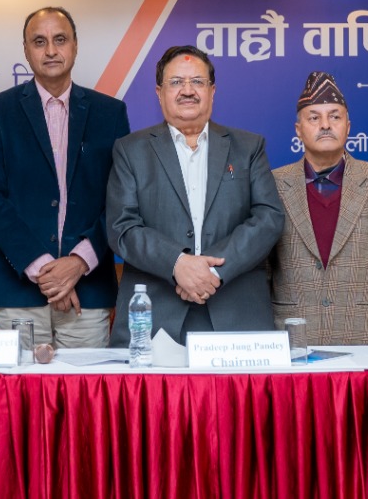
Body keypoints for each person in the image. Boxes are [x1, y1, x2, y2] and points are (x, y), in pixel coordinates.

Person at [107, 45, 284, 343]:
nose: (187, 90)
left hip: (236, 314)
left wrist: (211, 273)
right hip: (154, 316)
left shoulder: (248, 147)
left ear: (212, 91)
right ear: (159, 93)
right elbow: (121, 228)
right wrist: (177, 263)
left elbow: (268, 218)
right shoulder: (130, 150)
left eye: (197, 82)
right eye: (176, 82)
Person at [0, 7, 130, 348]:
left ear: (75, 46)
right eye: (39, 41)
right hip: (17, 291)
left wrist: (78, 263)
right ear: (25, 50)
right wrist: (46, 271)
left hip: (88, 290)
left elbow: (121, 198)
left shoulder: (110, 113)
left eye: (60, 40)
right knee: (19, 385)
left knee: (84, 386)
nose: (50, 50)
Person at [268, 72, 368, 346]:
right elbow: (262, 272)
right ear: (298, 129)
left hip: (365, 338)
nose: (325, 125)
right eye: (314, 118)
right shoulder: (273, 183)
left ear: (348, 126)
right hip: (291, 341)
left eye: (334, 117)